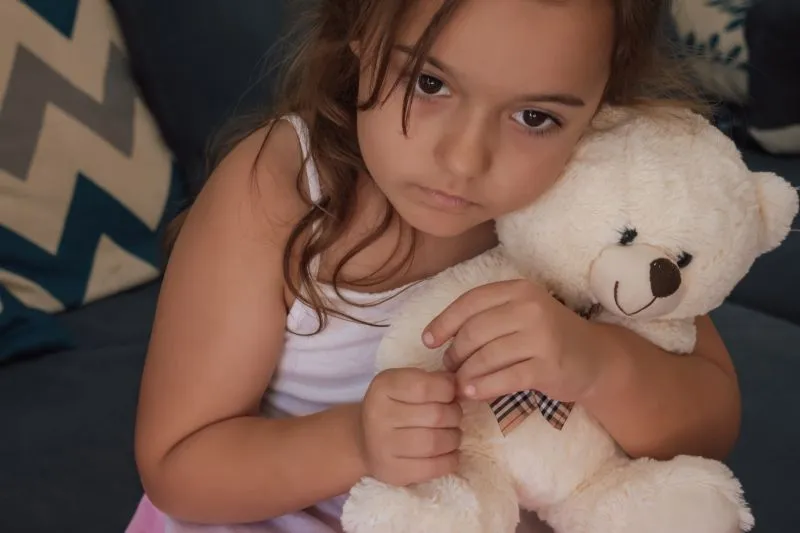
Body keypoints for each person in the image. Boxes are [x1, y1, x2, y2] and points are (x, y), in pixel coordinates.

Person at [126, 0, 743, 531]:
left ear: (602, 109)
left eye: (535, 117)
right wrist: (355, 441)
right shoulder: (283, 189)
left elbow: (711, 426)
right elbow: (179, 466)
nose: (464, 159)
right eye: (428, 83)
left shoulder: (608, 195)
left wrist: (598, 364)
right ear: (360, 37)